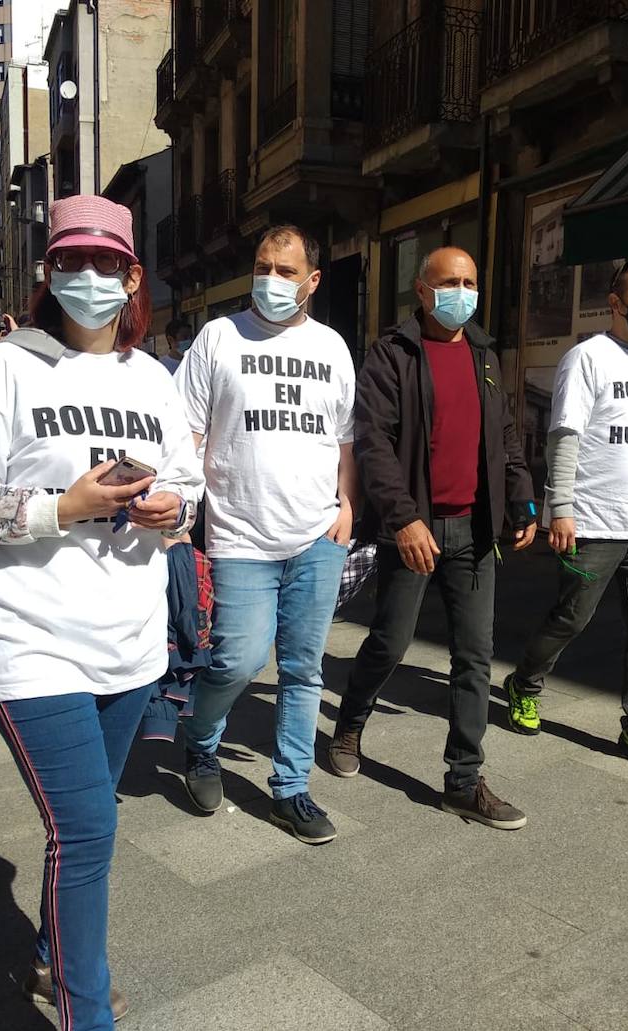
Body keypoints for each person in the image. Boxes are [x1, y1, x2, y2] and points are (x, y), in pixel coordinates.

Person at [0, 195, 201, 1029]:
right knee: (83, 831)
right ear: (49, 272)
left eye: (106, 263)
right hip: (30, 641)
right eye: (71, 261)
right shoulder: (6, 365)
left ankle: (52, 957)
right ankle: (90, 1012)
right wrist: (64, 505)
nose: (89, 278)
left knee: (90, 820)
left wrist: (172, 511)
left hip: (130, 642)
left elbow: (188, 487)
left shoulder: (151, 377)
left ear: (131, 276)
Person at [329, 246, 536, 830]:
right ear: (423, 291)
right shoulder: (392, 354)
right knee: (390, 645)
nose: (462, 294)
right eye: (451, 283)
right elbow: (373, 444)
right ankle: (350, 721)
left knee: (474, 657)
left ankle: (464, 780)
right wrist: (404, 518)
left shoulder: (485, 355)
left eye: (471, 282)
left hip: (474, 529)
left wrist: (520, 499)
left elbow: (506, 436)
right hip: (414, 531)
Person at [176, 224, 358, 845]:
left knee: (304, 670)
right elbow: (189, 434)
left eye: (286, 271)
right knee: (238, 660)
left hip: (316, 535)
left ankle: (291, 789)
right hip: (239, 536)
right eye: (263, 267)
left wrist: (347, 504)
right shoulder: (218, 337)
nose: (271, 280)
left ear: (311, 281)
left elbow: (343, 437)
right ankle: (200, 743)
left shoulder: (332, 346)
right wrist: (181, 511)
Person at [503, 261, 628, 771]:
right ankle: (524, 683)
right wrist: (559, 508)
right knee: (572, 617)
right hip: (593, 523)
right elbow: (564, 436)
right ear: (614, 302)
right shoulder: (586, 359)